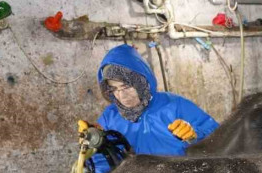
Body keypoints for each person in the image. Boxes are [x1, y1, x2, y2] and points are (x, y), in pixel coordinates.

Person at [90, 44, 219, 156]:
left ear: (141, 82)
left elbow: (217, 135)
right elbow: (100, 164)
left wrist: (195, 134)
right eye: (114, 89)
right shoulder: (109, 117)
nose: (122, 95)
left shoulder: (175, 105)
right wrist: (91, 140)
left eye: (126, 86)